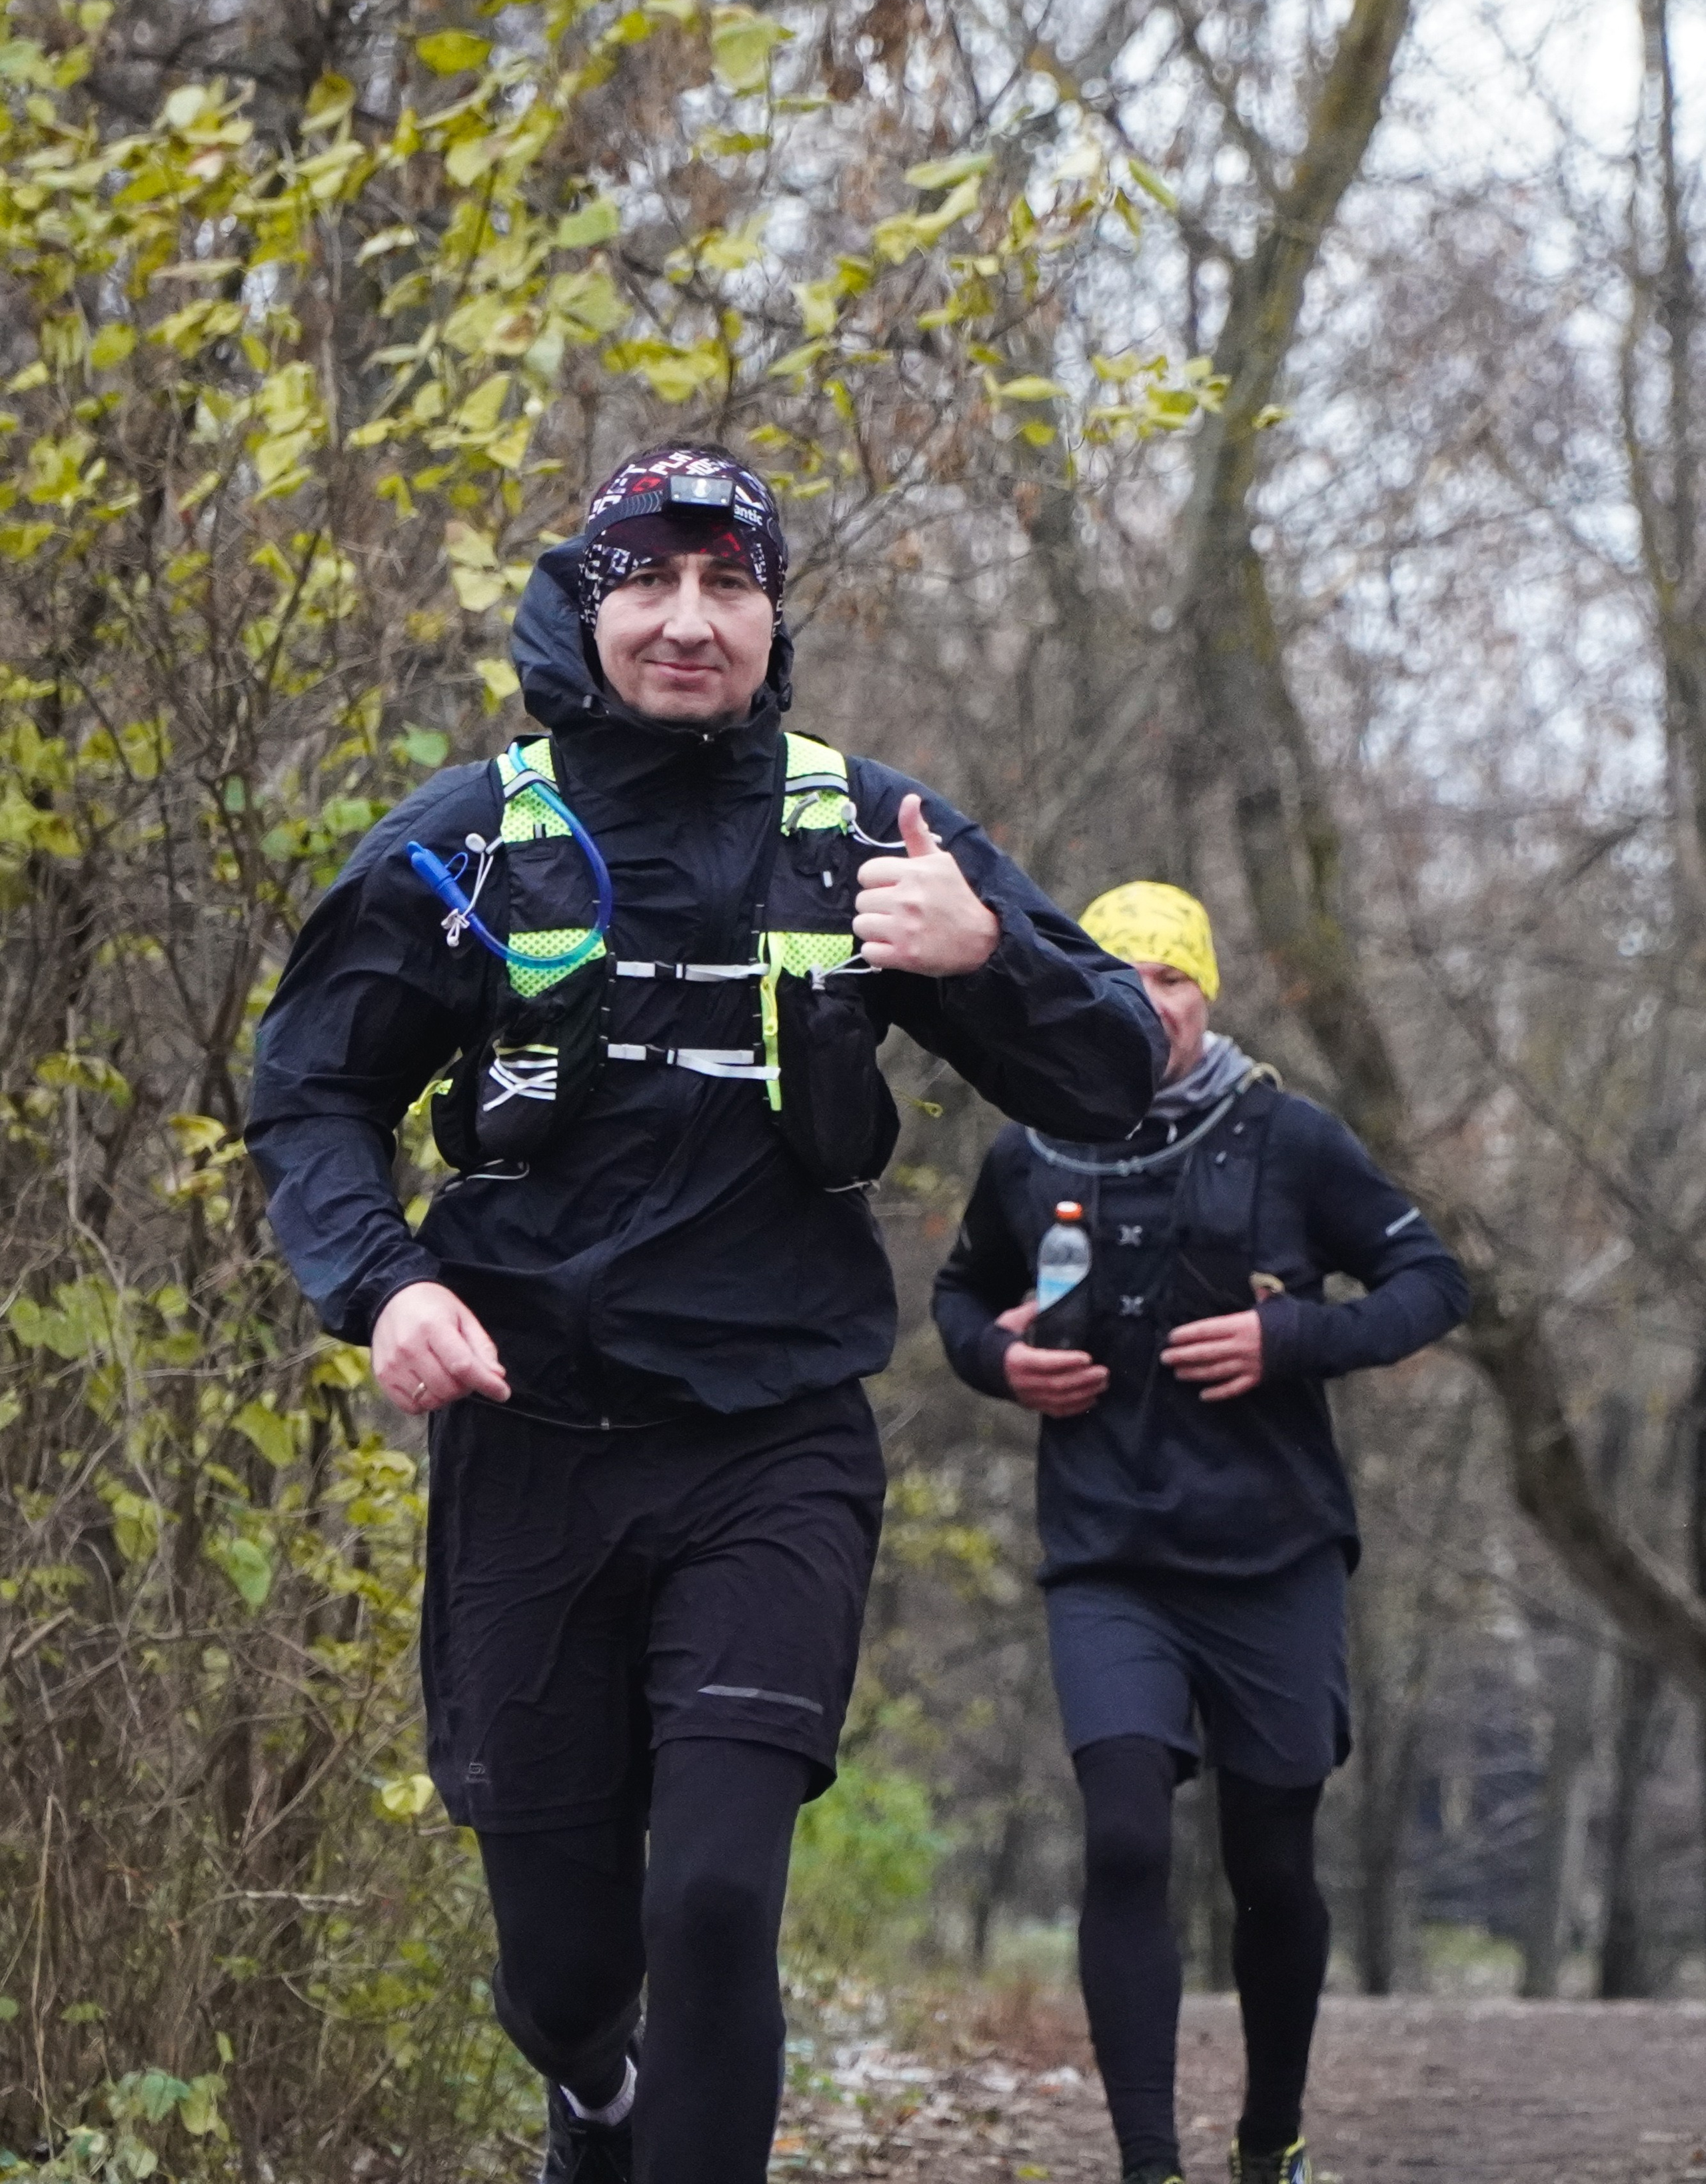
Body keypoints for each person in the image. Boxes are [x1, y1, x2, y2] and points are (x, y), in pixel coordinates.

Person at [246, 442, 1164, 2184]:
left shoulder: (870, 833)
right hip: (532, 1451)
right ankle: (590, 2090)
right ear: (588, 604)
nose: (688, 622)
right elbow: (305, 1095)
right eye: (649, 584)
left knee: (723, 1897)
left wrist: (992, 962)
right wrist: (389, 1284)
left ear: (773, 612)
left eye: (728, 585)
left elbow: (1120, 1081)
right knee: (568, 1969)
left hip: (772, 1449)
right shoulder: (469, 839)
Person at [932, 880, 1468, 2184]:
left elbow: (1429, 1282)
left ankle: (1266, 2137)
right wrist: (1003, 1366)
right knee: (1120, 1836)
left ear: (1204, 996)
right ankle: (1144, 2166)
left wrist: (1291, 1336)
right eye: (1120, 979)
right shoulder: (1029, 1149)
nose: (1147, 1003)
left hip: (1271, 1553)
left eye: (1171, 980)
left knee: (1267, 1864)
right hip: (1107, 1558)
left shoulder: (1284, 1136)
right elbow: (959, 1299)